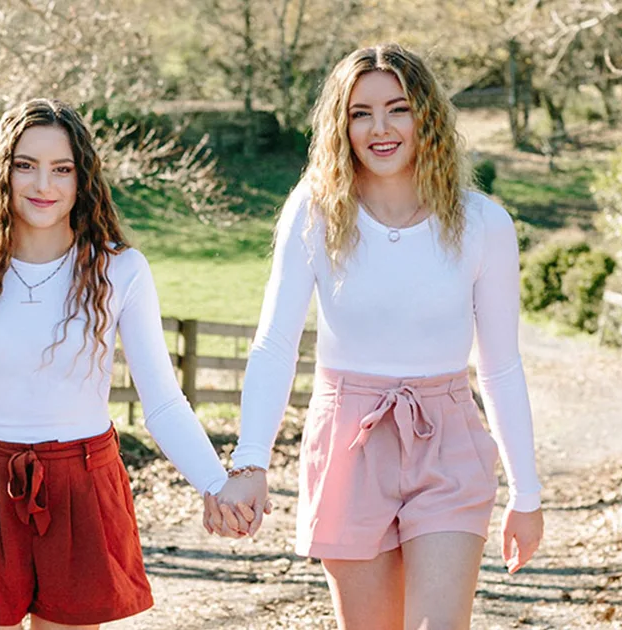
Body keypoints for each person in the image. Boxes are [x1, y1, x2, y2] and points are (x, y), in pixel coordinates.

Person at [209, 44, 546, 629]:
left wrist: (527, 491)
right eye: (361, 113)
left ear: (426, 116)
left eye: (398, 109)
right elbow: (274, 344)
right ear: (341, 126)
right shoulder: (314, 213)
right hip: (348, 440)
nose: (380, 128)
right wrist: (251, 462)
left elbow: (499, 367)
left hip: (447, 441)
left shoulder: (484, 224)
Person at [0, 98, 233, 630]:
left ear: (83, 179)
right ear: (1, 172)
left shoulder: (119, 271)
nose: (43, 185)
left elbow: (164, 402)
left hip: (83, 486)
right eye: (25, 165)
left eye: (61, 169)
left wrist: (216, 483)